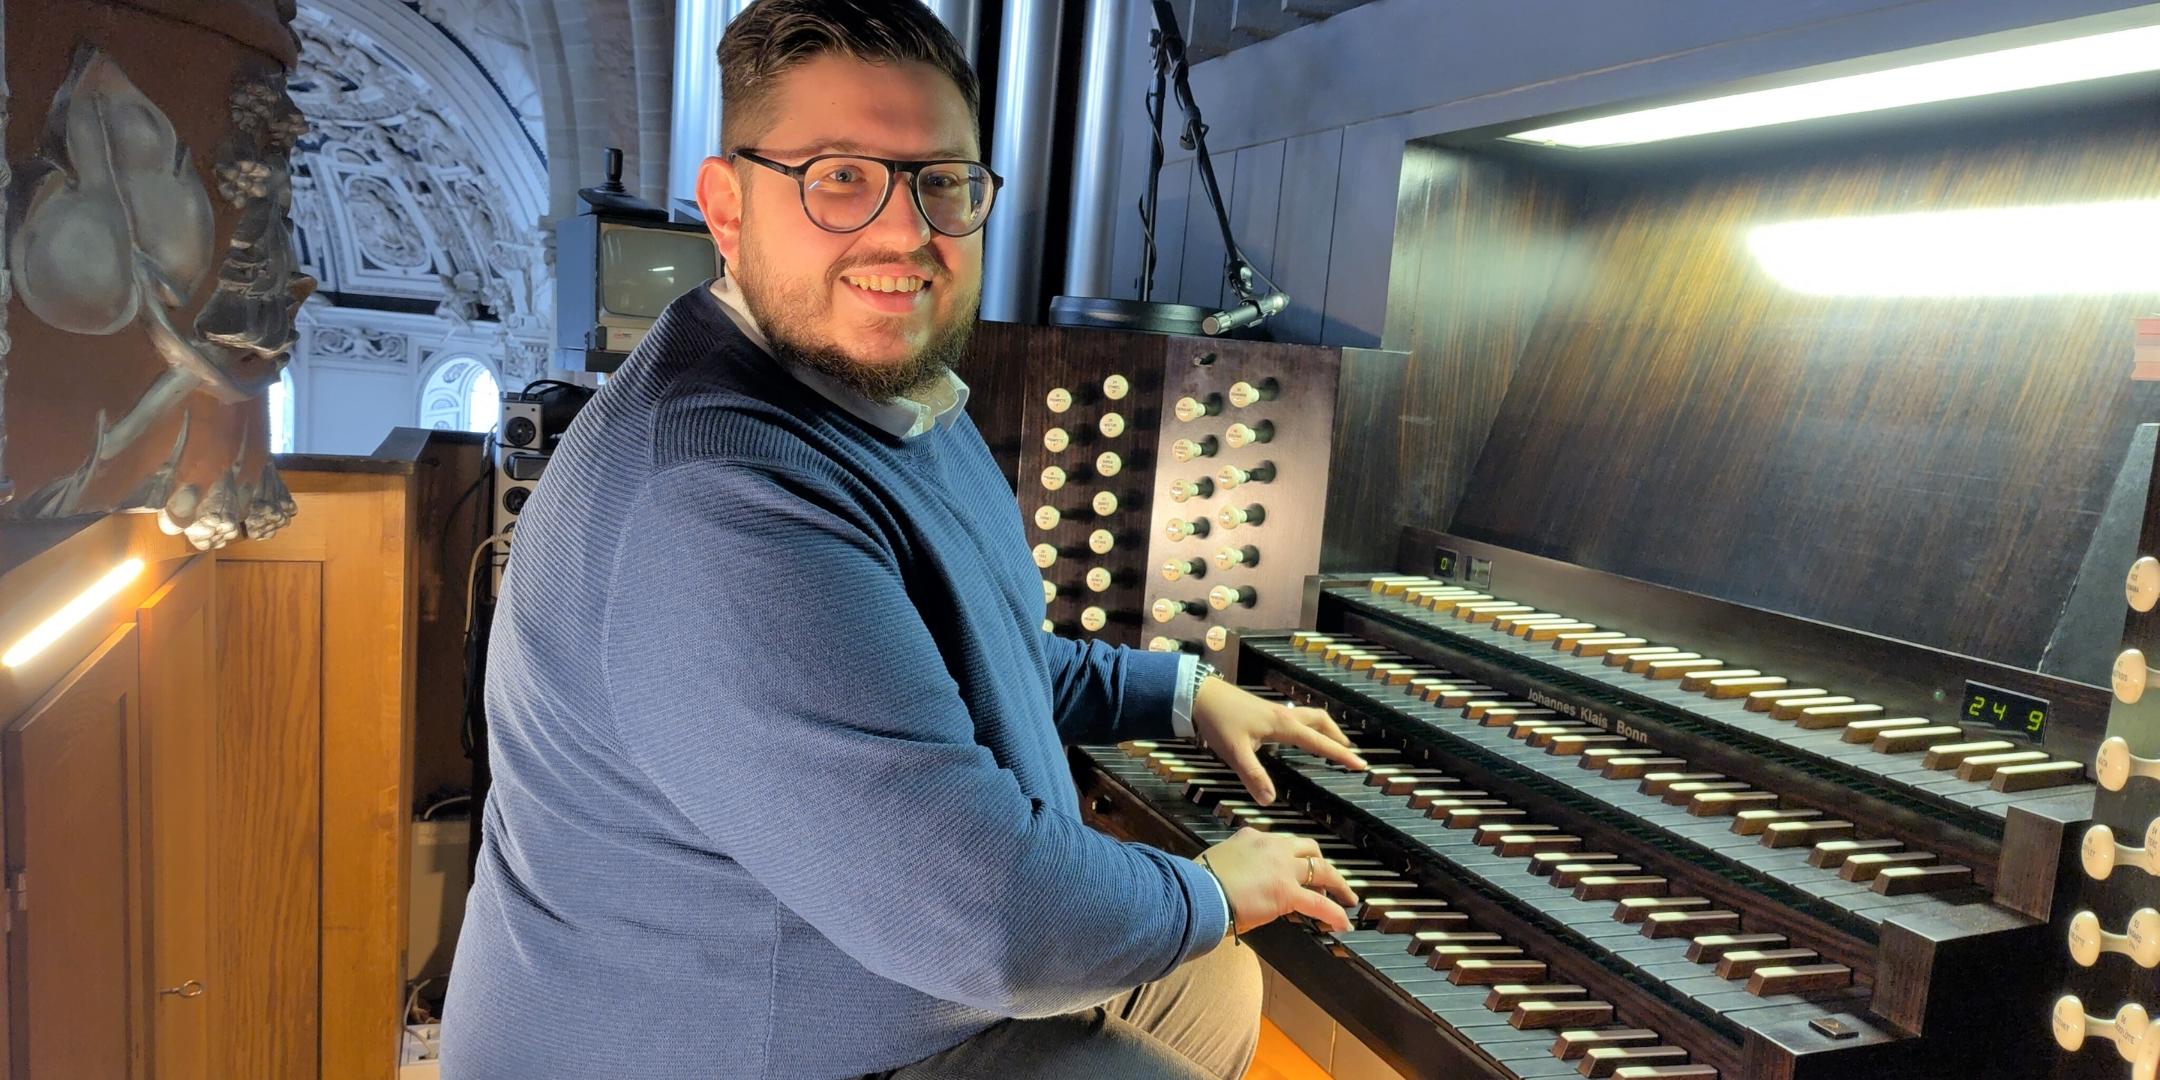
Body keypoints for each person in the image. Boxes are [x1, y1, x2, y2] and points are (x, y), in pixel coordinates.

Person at [442, 2, 1367, 1077]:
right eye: (839, 175)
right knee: (1186, 970)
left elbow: (975, 656)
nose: (903, 231)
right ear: (728, 208)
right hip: (726, 1042)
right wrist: (1209, 887)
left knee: (1213, 980)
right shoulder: (715, 499)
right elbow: (994, 923)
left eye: (943, 183)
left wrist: (1184, 694)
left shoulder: (884, 388)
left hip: (871, 965)